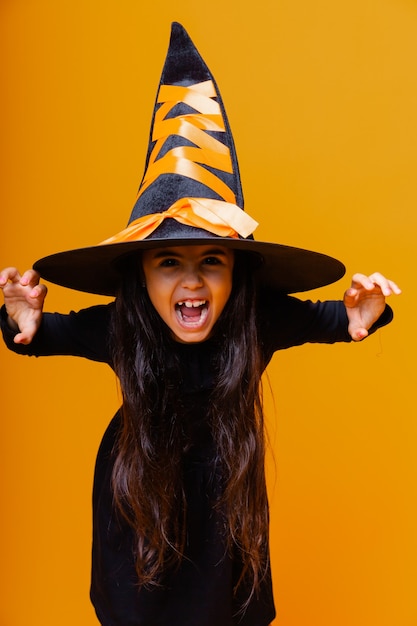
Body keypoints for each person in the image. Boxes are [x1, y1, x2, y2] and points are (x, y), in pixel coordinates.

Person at [0, 22, 401, 626]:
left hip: (225, 515)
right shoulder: (124, 325)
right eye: (169, 262)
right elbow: (41, 338)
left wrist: (366, 312)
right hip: (139, 510)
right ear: (141, 276)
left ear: (236, 274)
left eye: (210, 260)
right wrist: (21, 320)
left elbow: (337, 320)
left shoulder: (255, 321)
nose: (191, 282)